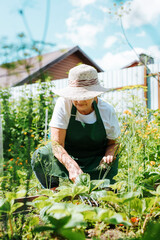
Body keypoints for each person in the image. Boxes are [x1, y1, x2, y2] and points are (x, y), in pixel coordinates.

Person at [31, 64, 121, 189]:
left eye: (84, 96)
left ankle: (105, 190)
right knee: (42, 155)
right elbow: (56, 145)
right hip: (69, 155)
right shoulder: (63, 104)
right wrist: (71, 166)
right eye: (75, 96)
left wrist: (109, 153)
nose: (79, 101)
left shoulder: (106, 110)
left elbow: (113, 143)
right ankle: (54, 193)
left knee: (106, 186)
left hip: (96, 159)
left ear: (95, 94)